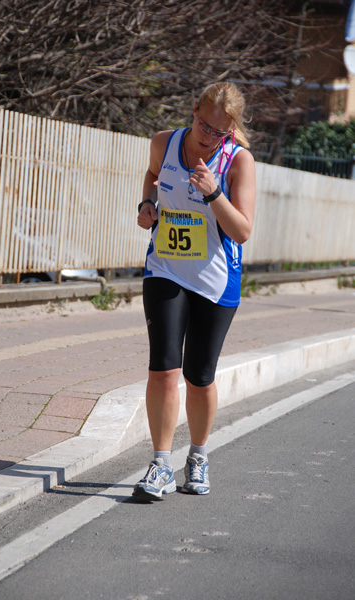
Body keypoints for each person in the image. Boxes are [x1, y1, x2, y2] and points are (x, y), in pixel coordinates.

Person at [133, 82, 256, 501]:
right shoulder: (164, 143)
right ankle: (160, 463)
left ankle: (198, 456)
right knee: (163, 367)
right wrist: (145, 205)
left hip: (214, 278)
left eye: (218, 131)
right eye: (203, 124)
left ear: (231, 130)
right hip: (165, 267)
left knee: (199, 376)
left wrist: (215, 192)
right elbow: (152, 176)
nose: (207, 135)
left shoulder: (238, 160)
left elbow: (241, 230)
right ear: (193, 111)